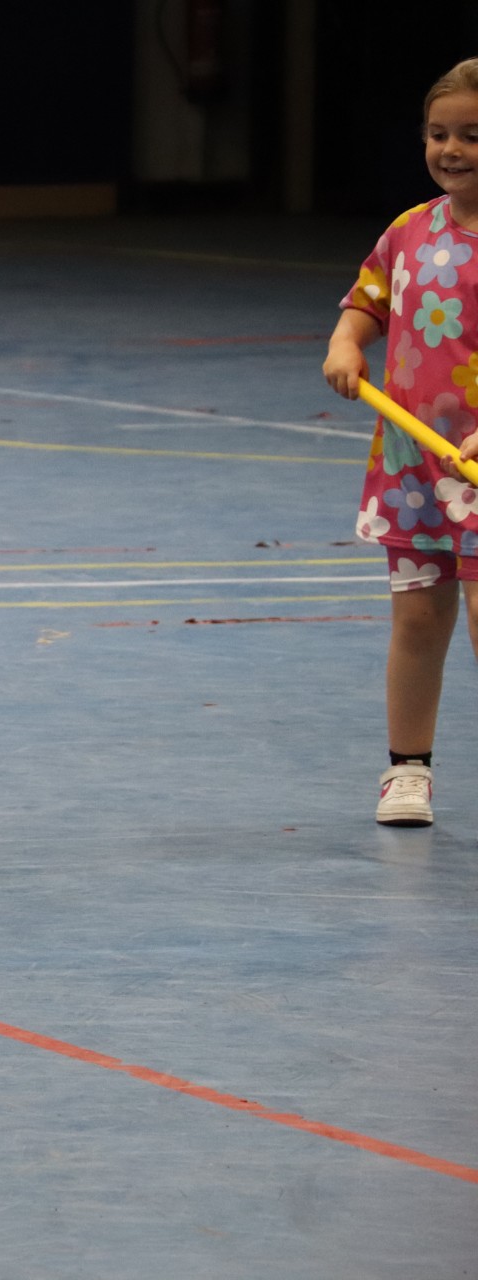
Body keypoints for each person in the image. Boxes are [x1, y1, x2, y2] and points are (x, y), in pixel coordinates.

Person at [323, 57, 478, 828]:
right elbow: (366, 303)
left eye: (473, 135)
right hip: (415, 466)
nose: (452, 149)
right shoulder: (409, 231)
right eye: (439, 133)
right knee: (417, 620)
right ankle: (407, 771)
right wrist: (348, 343)